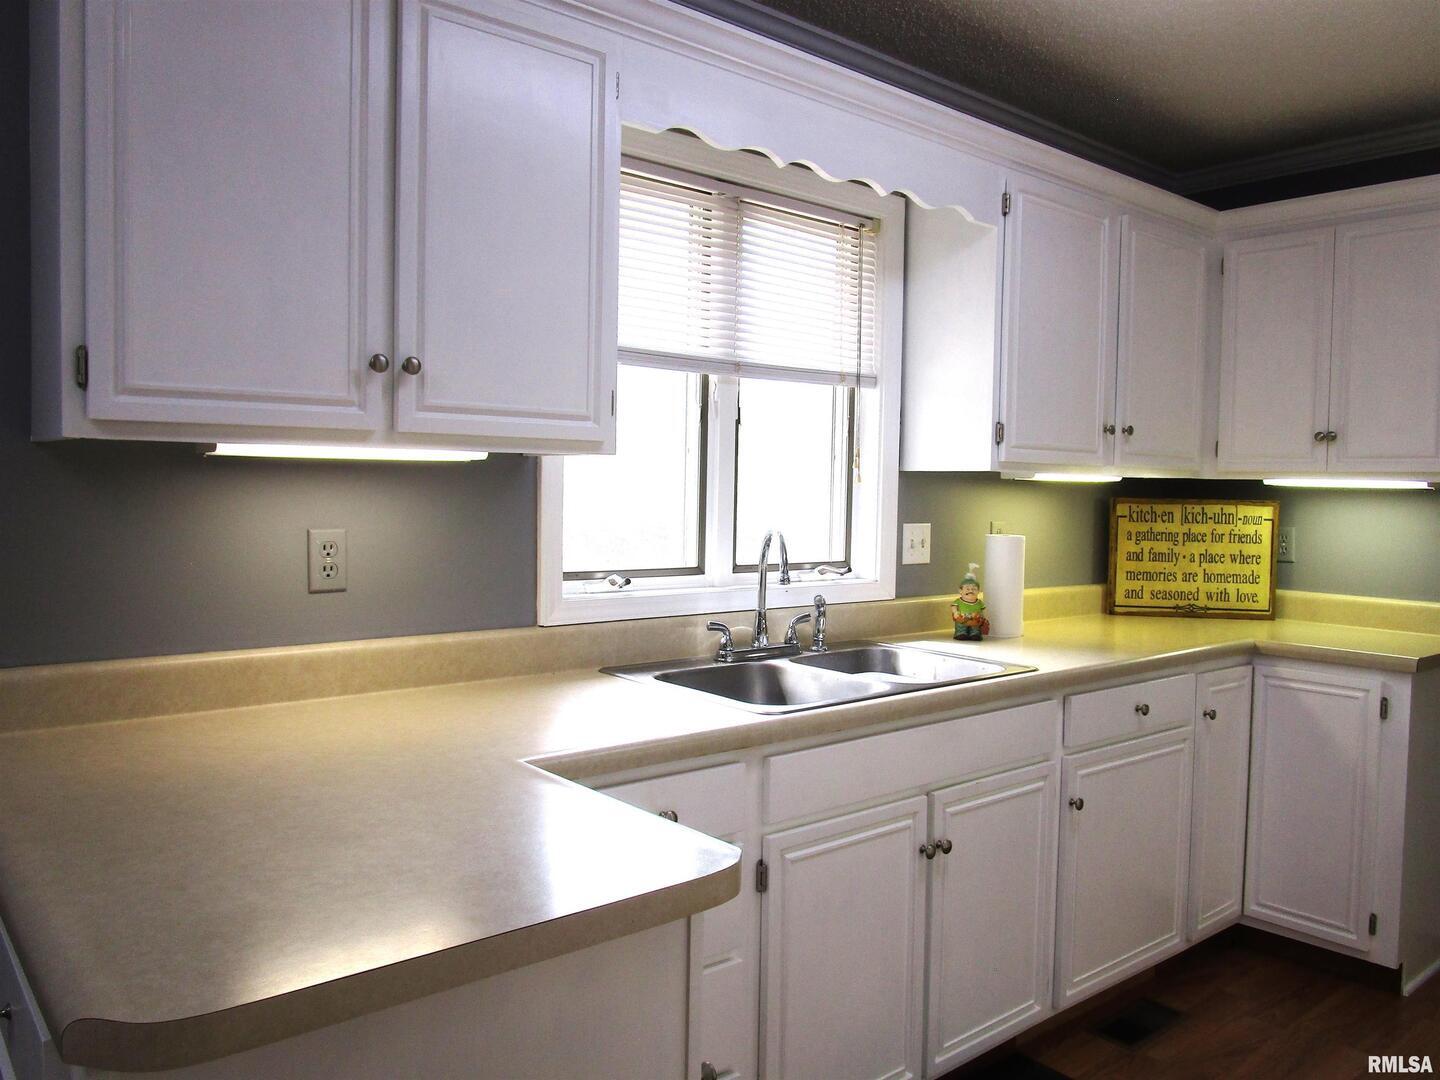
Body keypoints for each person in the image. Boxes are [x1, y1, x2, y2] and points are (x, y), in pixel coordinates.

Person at [951, 563, 990, 641]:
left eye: (974, 589)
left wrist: (984, 618)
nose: (970, 591)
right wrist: (955, 612)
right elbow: (954, 606)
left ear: (978, 591)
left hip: (975, 619)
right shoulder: (959, 601)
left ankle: (975, 634)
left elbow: (983, 610)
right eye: (967, 589)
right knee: (961, 626)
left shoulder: (979, 602)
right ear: (960, 591)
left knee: (975, 627)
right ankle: (961, 633)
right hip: (962, 618)